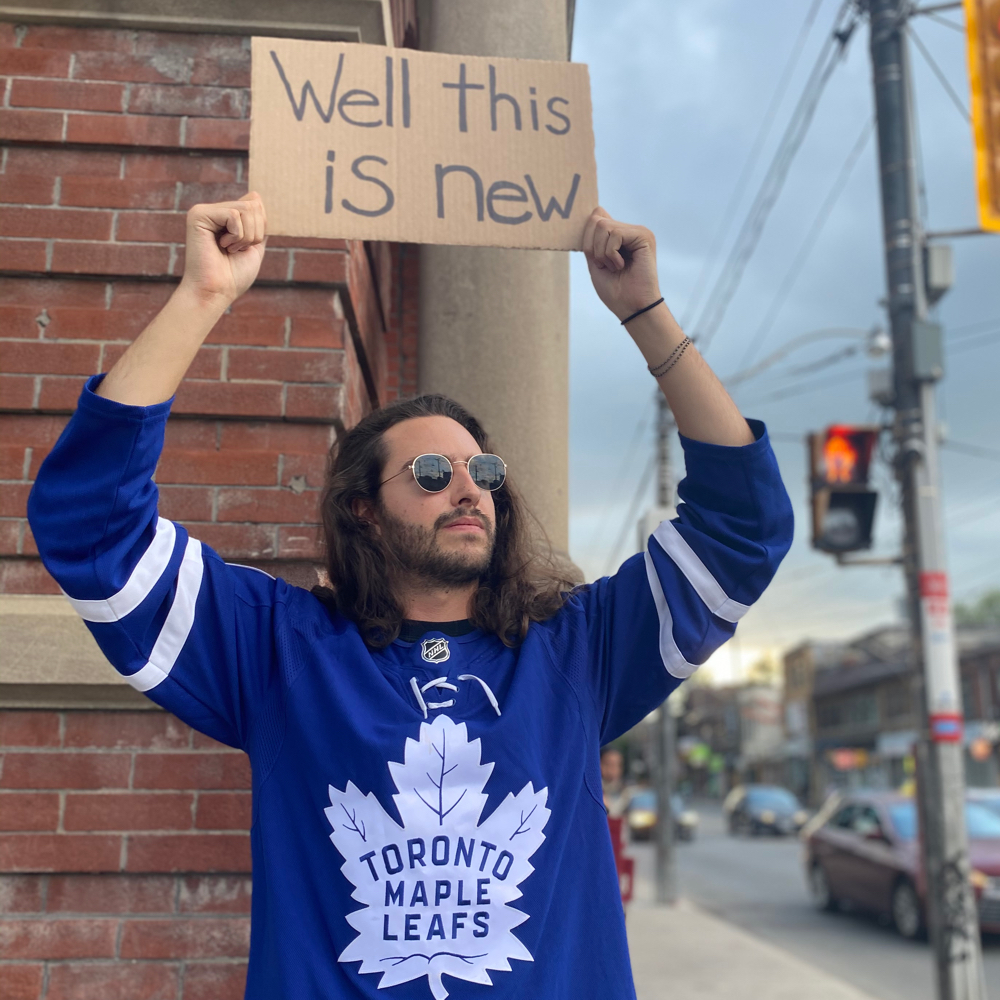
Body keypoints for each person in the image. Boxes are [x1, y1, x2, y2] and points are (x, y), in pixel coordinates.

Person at [28, 193, 794, 1000]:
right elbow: (91, 529)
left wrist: (646, 314)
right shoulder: (280, 652)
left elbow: (741, 534)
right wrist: (202, 298)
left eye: (484, 474)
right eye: (432, 475)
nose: (468, 491)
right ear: (363, 507)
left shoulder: (576, 652)